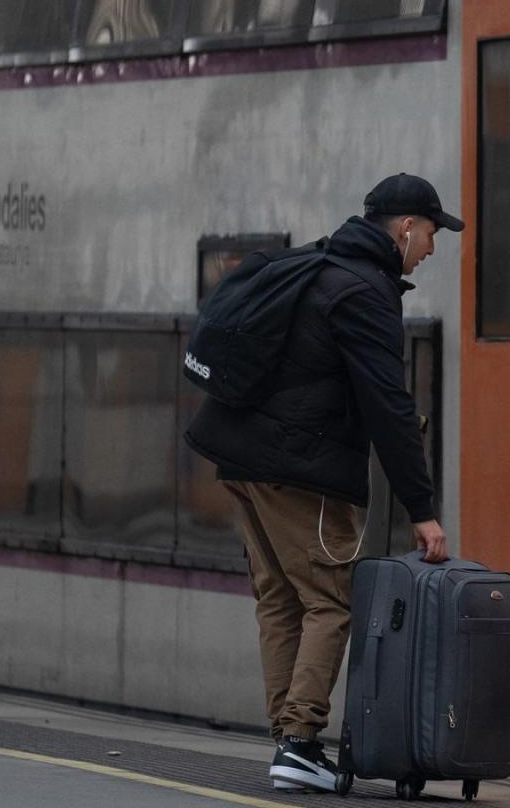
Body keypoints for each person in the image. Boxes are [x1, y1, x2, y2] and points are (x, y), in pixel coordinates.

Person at [184, 173, 463, 792]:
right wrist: (422, 508)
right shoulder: (366, 291)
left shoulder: (321, 263)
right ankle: (302, 738)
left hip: (242, 459)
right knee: (330, 600)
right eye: (433, 234)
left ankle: (289, 743)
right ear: (407, 227)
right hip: (298, 471)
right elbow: (386, 403)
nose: (433, 249)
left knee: (281, 599)